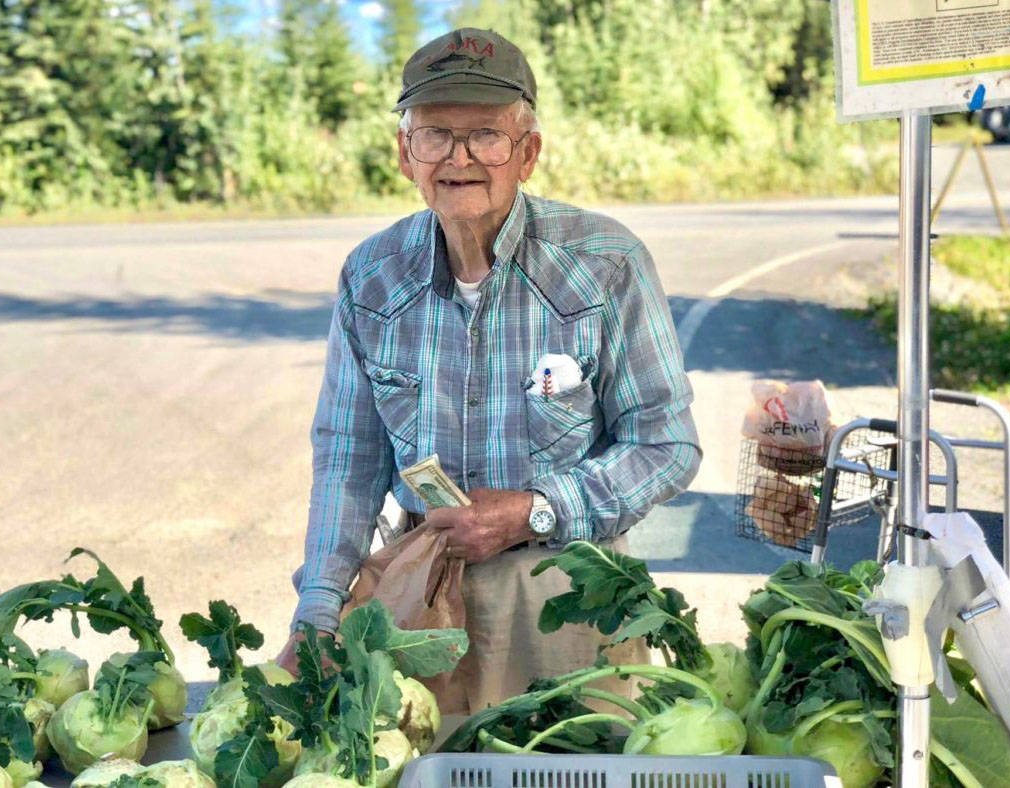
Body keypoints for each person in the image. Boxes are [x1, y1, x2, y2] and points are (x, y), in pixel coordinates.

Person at [277, 27, 701, 713]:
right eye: (436, 134)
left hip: (569, 592)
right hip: (420, 592)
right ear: (405, 154)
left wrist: (535, 509)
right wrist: (318, 610)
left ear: (527, 154)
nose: (460, 157)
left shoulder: (605, 263)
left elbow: (667, 447)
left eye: (486, 136)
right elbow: (348, 459)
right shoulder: (373, 277)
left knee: (569, 765)